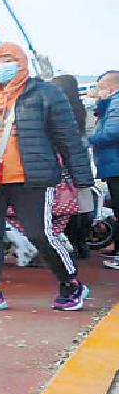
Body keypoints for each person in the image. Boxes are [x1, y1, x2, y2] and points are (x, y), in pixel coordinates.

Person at [0, 43, 94, 311]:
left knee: (40, 234)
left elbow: (69, 139)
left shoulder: (47, 94)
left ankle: (71, 283)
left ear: (22, 63)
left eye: (8, 60)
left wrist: (82, 178)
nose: (2, 67)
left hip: (31, 177)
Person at [51, 74, 92, 259]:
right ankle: (80, 244)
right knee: (79, 206)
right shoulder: (80, 109)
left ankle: (67, 247)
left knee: (60, 208)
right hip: (79, 164)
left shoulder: (57, 110)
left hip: (61, 165)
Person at [89, 70, 119, 267]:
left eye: (99, 88)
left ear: (109, 88)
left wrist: (87, 140)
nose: (97, 92)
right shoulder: (110, 104)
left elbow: (113, 131)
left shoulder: (116, 103)